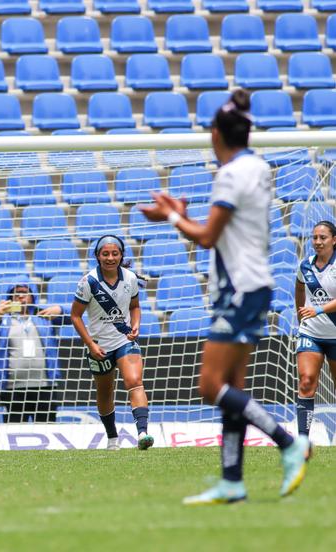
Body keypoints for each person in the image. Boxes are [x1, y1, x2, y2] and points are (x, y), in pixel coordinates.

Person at [141, 89, 310, 504]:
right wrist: (183, 213)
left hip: (238, 287)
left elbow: (207, 237)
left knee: (210, 385)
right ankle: (232, 480)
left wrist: (173, 216)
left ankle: (288, 442)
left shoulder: (231, 173)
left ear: (216, 134)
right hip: (255, 283)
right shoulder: (258, 166)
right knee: (234, 385)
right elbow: (228, 230)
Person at [70, 235, 154, 451]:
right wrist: (91, 345)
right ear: (97, 256)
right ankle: (112, 439)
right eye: (105, 254)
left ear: (121, 255)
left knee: (134, 381)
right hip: (99, 346)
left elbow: (135, 306)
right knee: (105, 392)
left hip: (124, 340)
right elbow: (76, 316)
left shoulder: (130, 278)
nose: (110, 258)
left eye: (114, 253)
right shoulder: (88, 282)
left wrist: (135, 324)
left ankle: (143, 433)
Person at [0, 282, 64, 423]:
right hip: (13, 388)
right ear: (10, 298)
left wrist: (61, 309)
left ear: (33, 296)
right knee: (13, 430)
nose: (20, 296)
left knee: (47, 428)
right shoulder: (3, 320)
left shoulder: (45, 317)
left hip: (45, 386)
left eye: (24, 292)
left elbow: (77, 315)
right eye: (16, 293)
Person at [294, 220, 336, 437]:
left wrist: (318, 310)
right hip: (311, 333)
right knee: (307, 381)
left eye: (323, 237)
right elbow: (299, 289)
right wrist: (300, 313)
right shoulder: (305, 265)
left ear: (334, 240)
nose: (317, 242)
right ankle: (302, 441)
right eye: (315, 237)